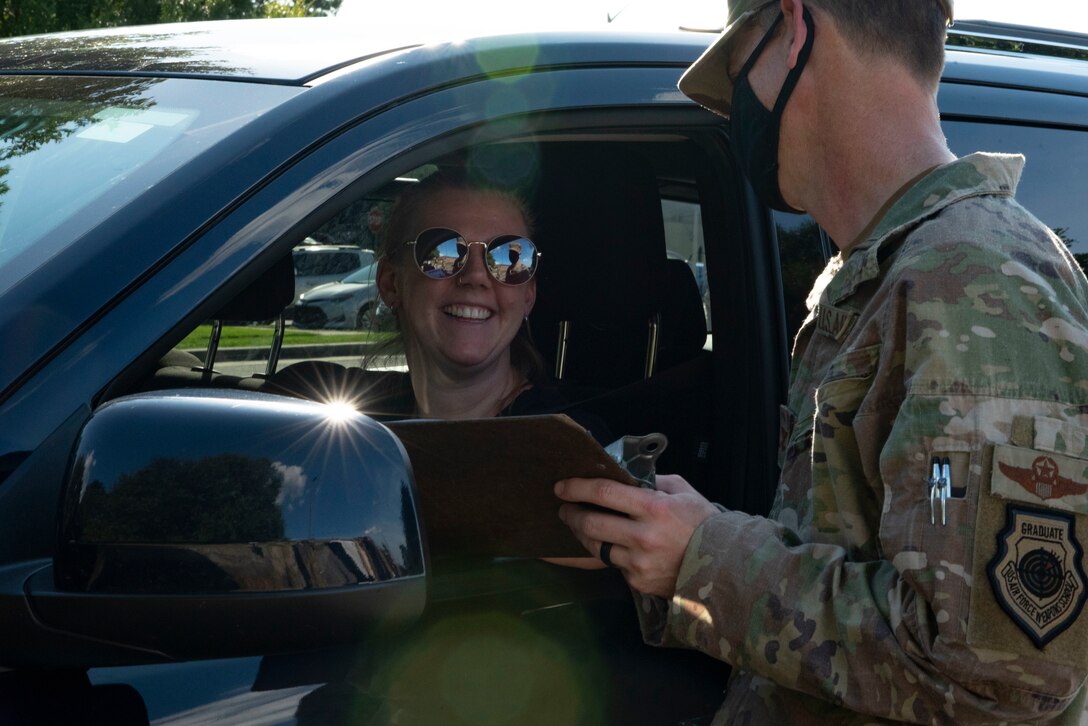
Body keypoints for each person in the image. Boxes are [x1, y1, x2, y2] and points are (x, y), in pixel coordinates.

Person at [554, 0, 1088, 723]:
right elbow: (869, 561)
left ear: (795, 28)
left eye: (740, 74)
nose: (734, 112)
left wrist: (707, 559)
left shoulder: (972, 282)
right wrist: (676, 534)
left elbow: (999, 674)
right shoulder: (885, 275)